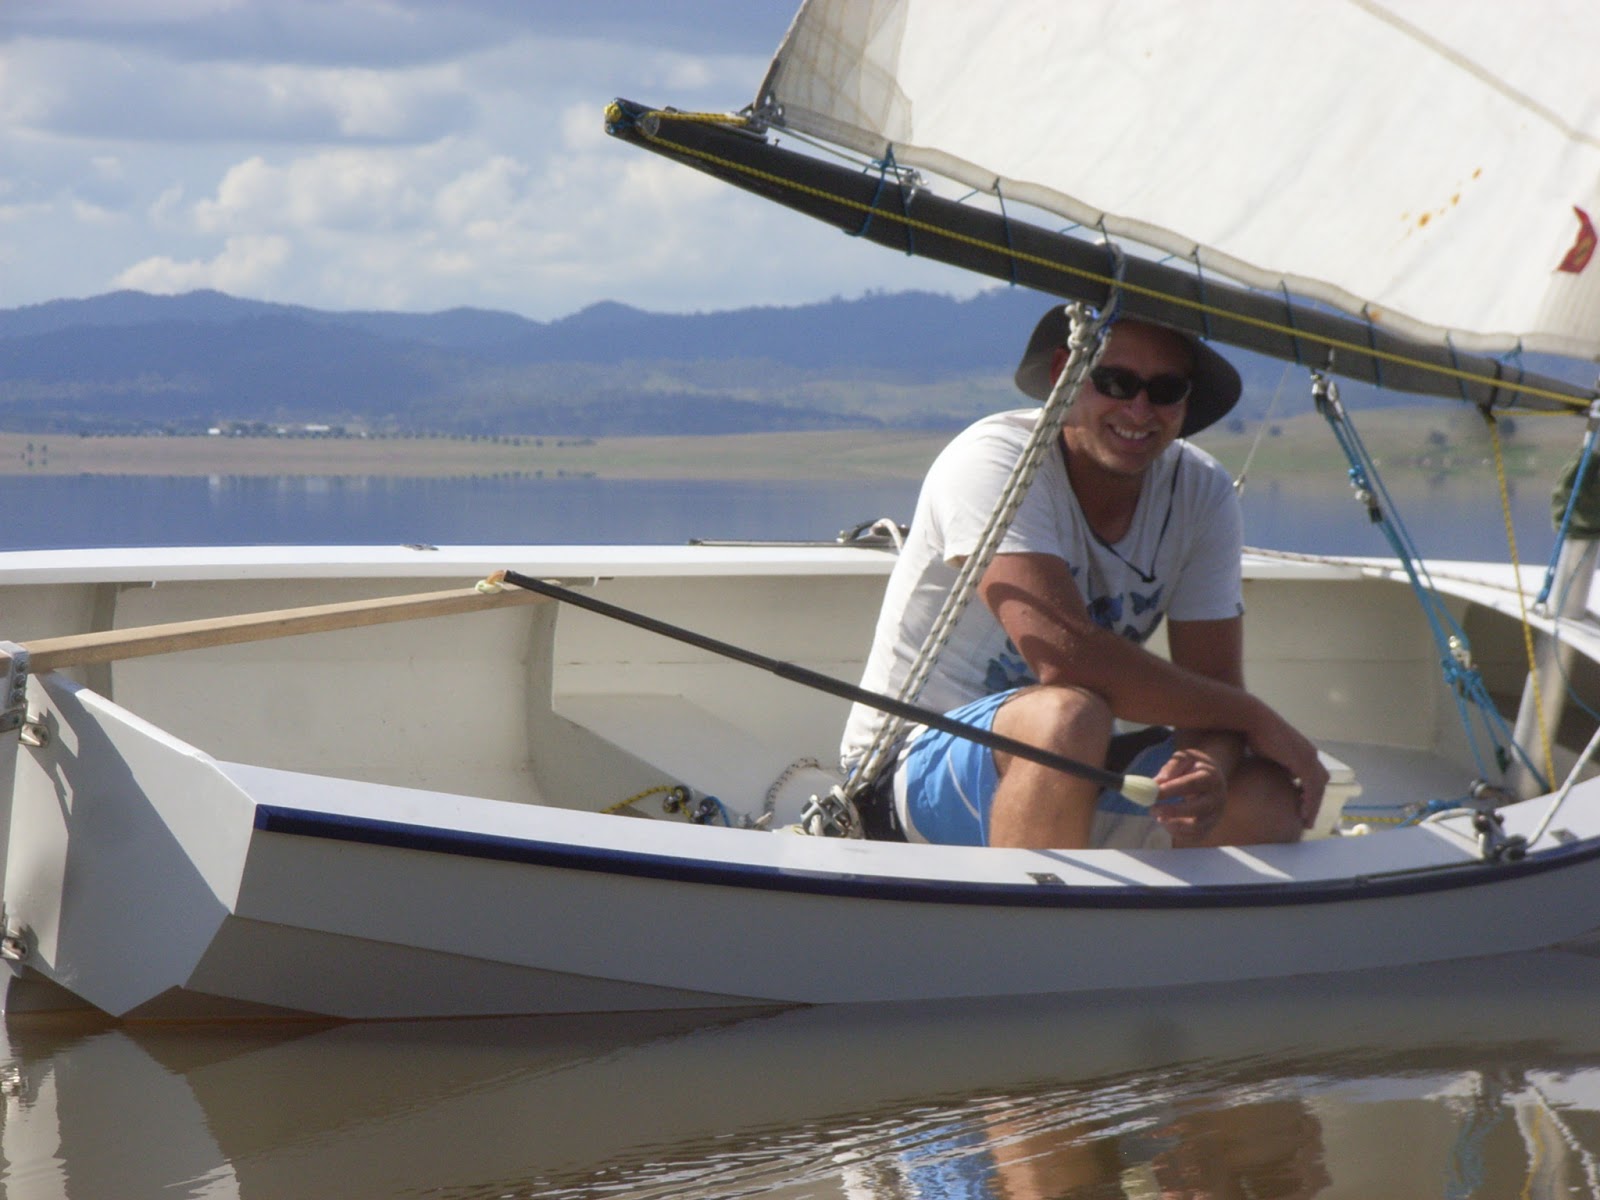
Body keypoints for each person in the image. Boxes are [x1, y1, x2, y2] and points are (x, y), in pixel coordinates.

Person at [838, 306, 1327, 849]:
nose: (1139, 409)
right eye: (1114, 382)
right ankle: (1033, 924)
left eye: (1165, 389)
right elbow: (1064, 657)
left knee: (1266, 795)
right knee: (1069, 718)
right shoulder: (993, 458)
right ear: (1062, 376)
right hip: (908, 768)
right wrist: (1256, 716)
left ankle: (1136, 926)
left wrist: (1207, 765)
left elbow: (1215, 689)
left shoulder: (1202, 492)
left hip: (1072, 759)